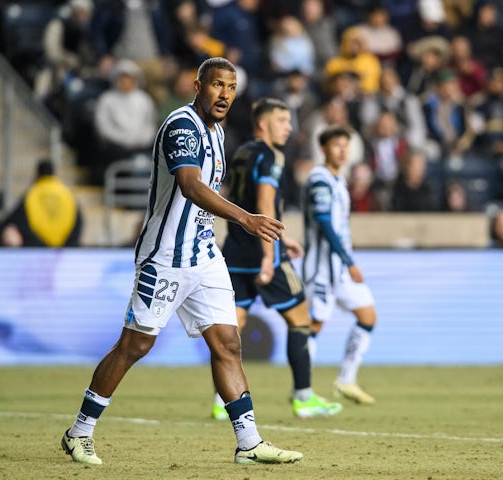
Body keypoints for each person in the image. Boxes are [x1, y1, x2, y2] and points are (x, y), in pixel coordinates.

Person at [60, 57, 302, 466]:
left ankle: (249, 443)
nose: (224, 94)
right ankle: (78, 432)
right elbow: (189, 185)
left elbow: (205, 194)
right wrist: (245, 218)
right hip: (166, 256)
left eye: (231, 87)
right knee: (135, 344)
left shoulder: (217, 131)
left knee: (227, 344)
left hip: (204, 254)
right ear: (197, 85)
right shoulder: (182, 126)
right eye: (216, 85)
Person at [217, 97, 343, 420]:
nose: (289, 128)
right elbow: (264, 202)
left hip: (234, 252)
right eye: (283, 120)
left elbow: (239, 202)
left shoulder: (243, 152)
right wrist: (270, 255)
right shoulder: (272, 156)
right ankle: (303, 398)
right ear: (263, 123)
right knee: (300, 320)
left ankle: (223, 402)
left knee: (232, 328)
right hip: (263, 253)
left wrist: (283, 236)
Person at [301, 125, 377, 405]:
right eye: (336, 145)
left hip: (340, 271)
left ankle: (346, 380)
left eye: (346, 145)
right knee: (315, 325)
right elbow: (324, 225)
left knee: (368, 315)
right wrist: (348, 260)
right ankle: (303, 391)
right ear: (323, 149)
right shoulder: (320, 179)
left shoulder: (339, 181)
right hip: (322, 268)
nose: (342, 150)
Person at [0, 159, 82, 247]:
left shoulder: (32, 193)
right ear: (54, 174)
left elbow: (15, 219)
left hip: (38, 249)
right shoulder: (67, 194)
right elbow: (78, 222)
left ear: (37, 174)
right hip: (64, 249)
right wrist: (68, 245)